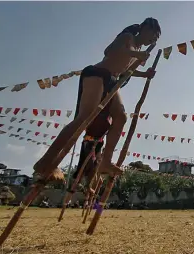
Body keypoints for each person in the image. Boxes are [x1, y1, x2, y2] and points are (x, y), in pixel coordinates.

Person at [33, 18, 162, 182]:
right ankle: (45, 162)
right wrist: (137, 54)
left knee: (121, 117)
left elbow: (127, 70)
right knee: (84, 117)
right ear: (144, 28)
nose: (154, 39)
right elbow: (111, 51)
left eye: (157, 38)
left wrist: (145, 74)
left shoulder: (137, 49)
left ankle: (106, 161)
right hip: (97, 74)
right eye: (154, 34)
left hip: (113, 81)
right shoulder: (128, 37)